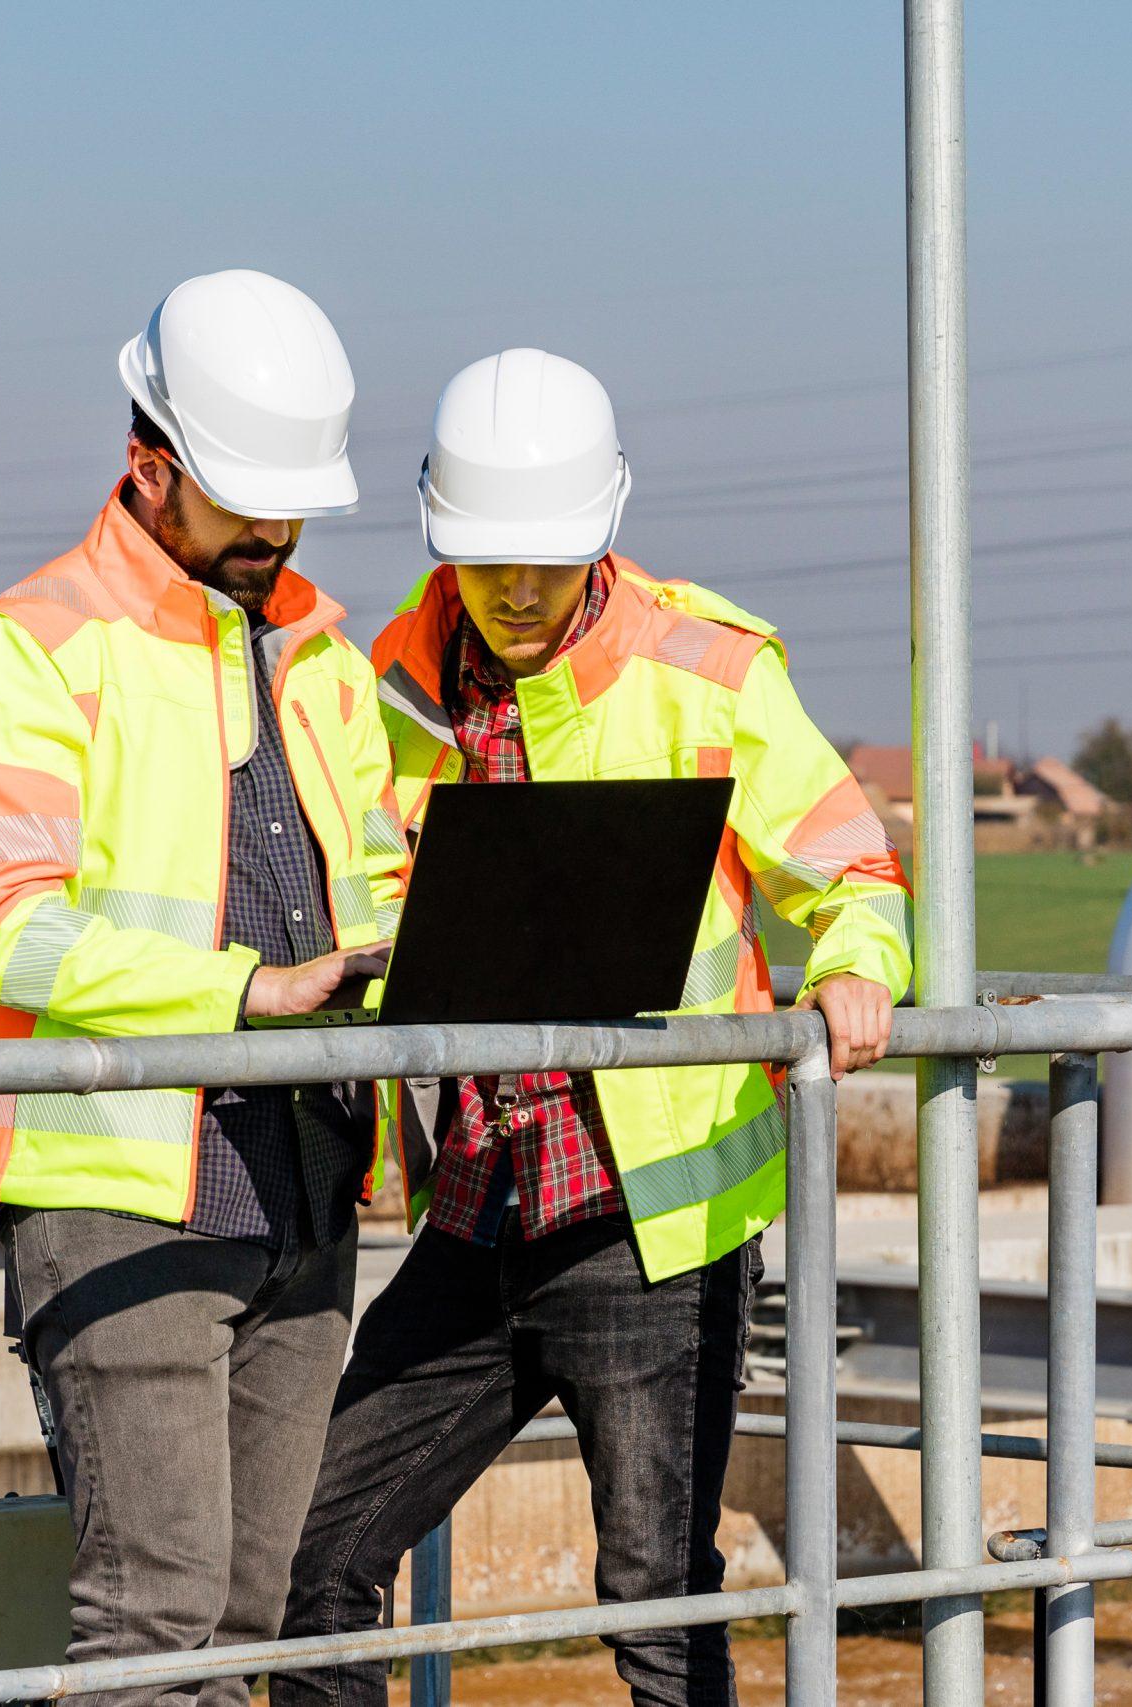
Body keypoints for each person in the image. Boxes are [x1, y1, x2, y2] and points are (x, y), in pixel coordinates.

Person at [273, 349, 913, 1707]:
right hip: (474, 1213)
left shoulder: (707, 667)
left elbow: (850, 869)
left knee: (657, 1613)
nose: (514, 592)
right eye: (487, 560)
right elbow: (363, 880)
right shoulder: (381, 675)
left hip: (652, 1226)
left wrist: (858, 969)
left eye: (545, 563)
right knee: (310, 1566)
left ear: (604, 531)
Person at [0, 269, 407, 1707]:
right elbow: (5, 927)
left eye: (291, 503)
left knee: (255, 1623)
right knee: (157, 1627)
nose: (275, 533)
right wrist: (245, 995)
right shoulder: (29, 648)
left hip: (308, 1181)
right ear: (151, 463)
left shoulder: (324, 653)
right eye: (247, 502)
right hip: (123, 1190)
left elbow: (372, 877)